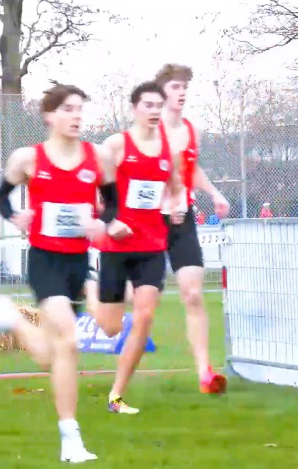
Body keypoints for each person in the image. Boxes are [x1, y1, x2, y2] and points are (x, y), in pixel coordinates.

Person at [0, 84, 116, 463]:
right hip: (45, 262)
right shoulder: (28, 159)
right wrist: (15, 216)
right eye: (68, 109)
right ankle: (71, 439)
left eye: (79, 109)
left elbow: (114, 203)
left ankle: (11, 318)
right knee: (70, 341)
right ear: (49, 115)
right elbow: (0, 197)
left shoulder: (97, 158)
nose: (76, 116)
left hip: (79, 261)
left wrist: (101, 222)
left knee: (52, 356)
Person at [87, 82, 186, 415]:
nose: (155, 111)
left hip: (152, 245)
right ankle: (89, 288)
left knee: (145, 317)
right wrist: (111, 222)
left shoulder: (169, 150)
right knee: (111, 327)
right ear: (134, 108)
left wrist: (177, 207)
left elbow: (175, 187)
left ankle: (116, 396)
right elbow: (92, 191)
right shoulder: (116, 145)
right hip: (117, 245)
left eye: (159, 105)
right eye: (148, 105)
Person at [156, 64, 230, 395]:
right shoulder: (148, 131)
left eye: (185, 86)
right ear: (162, 92)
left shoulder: (191, 130)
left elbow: (192, 168)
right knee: (138, 297)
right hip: (151, 220)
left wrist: (214, 193)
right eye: (175, 86)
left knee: (194, 294)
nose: (182, 92)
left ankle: (204, 371)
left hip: (182, 220)